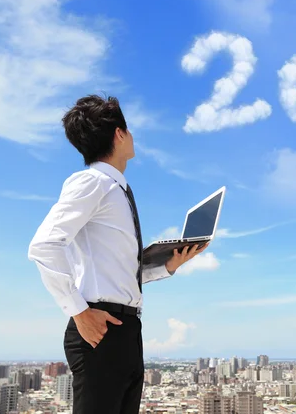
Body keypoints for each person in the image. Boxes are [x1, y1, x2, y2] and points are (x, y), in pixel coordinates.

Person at [27, 94, 207, 414]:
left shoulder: (117, 190)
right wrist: (79, 312)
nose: (133, 136)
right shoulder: (93, 182)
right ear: (119, 134)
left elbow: (118, 274)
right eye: (130, 130)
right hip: (100, 329)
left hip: (126, 330)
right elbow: (43, 246)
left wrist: (168, 265)